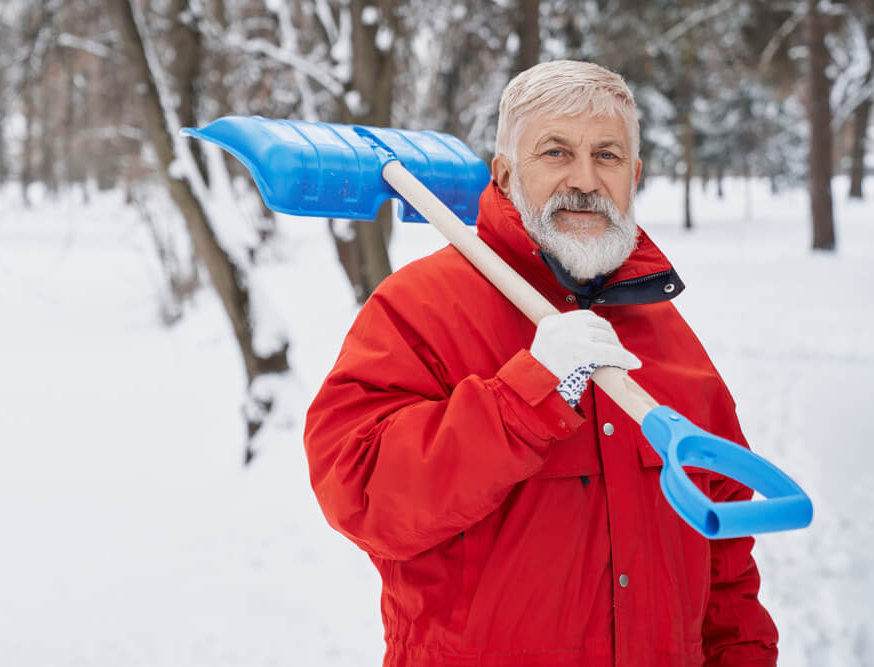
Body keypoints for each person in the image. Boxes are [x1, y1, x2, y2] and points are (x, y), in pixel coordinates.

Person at [304, 60, 778, 667]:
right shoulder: (421, 308)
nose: (584, 178)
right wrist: (524, 394)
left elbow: (726, 556)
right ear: (504, 173)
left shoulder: (664, 331)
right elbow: (362, 493)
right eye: (555, 152)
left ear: (633, 175)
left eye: (607, 156)